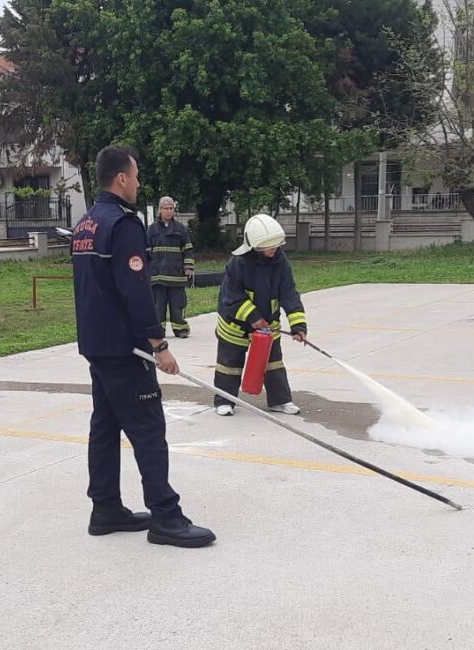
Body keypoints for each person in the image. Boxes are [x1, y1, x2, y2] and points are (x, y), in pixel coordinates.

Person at [71, 145, 214, 548]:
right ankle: (166, 517)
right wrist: (158, 343)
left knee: (105, 426)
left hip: (96, 345)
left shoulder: (86, 225)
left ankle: (105, 508)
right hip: (126, 349)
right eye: (135, 176)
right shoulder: (124, 224)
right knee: (149, 429)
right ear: (121, 178)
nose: (138, 183)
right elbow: (135, 290)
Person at [213, 213, 307, 416]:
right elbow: (231, 297)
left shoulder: (281, 262)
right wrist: (253, 317)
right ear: (254, 245)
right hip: (235, 326)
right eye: (268, 245)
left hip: (267, 325)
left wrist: (298, 326)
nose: (274, 248)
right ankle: (224, 400)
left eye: (275, 244)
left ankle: (280, 401)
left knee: (274, 363)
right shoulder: (238, 264)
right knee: (229, 364)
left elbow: (289, 293)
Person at [146, 196, 194, 338]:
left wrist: (188, 267)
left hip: (177, 275)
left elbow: (188, 249)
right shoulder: (151, 230)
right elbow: (145, 250)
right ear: (159, 210)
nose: (169, 211)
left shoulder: (180, 229)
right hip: (158, 276)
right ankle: (159, 331)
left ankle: (181, 329)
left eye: (171, 208)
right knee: (158, 306)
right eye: (166, 208)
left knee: (177, 305)